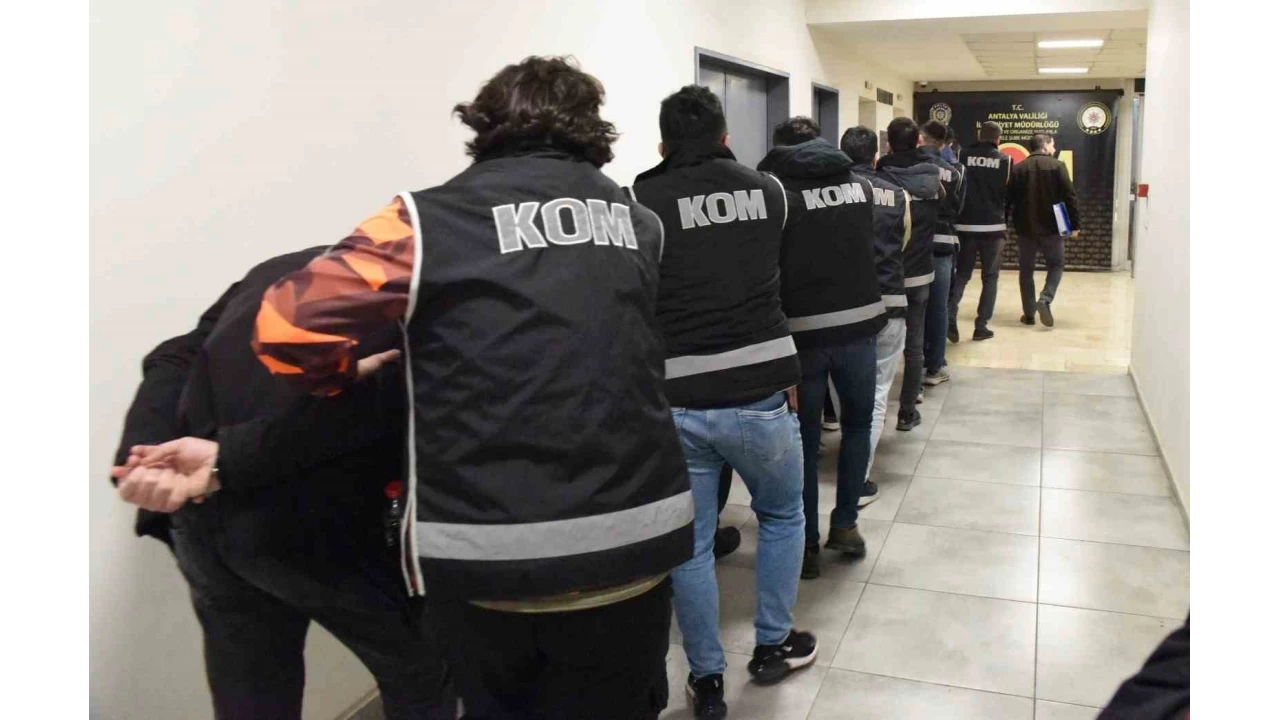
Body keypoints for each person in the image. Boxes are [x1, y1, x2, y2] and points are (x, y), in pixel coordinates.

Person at [250, 56, 694, 720]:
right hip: (630, 546)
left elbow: (283, 327)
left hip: (485, 559)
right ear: (592, 133)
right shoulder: (640, 225)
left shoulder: (420, 222)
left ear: (484, 128)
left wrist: (349, 374)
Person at [110, 248, 454, 720]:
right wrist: (221, 461)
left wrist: (144, 451)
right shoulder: (432, 292)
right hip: (308, 519)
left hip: (201, 515)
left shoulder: (279, 268)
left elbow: (174, 354)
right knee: (423, 672)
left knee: (252, 692)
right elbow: (382, 404)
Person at [633, 86, 814, 719]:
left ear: (662, 144)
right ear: (726, 138)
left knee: (691, 544)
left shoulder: (640, 202)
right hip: (761, 391)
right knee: (783, 515)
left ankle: (706, 678)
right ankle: (772, 645)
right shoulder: (771, 192)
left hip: (678, 398)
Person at [759, 117, 888, 582]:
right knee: (856, 426)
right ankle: (846, 525)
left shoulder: (777, 194)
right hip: (860, 327)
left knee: (806, 442)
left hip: (803, 335)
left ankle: (808, 545)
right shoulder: (861, 186)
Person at [843, 124, 924, 514]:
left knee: (842, 389)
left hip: (844, 305)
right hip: (889, 299)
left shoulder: (832, 193)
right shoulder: (897, 193)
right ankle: (858, 478)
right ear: (876, 155)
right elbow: (903, 242)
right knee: (876, 395)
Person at [876, 118, 944, 432]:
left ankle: (870, 410)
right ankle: (907, 412)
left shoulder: (877, 180)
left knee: (875, 345)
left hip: (885, 275)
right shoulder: (933, 178)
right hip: (920, 273)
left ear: (888, 144)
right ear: (918, 141)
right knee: (914, 345)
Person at [949, 120, 1013, 346]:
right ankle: (981, 326)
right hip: (993, 228)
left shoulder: (962, 155)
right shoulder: (1005, 161)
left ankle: (950, 316)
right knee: (990, 277)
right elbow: (1008, 195)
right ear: (998, 139)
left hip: (964, 225)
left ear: (979, 135)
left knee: (961, 274)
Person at [1008, 132, 1080, 327]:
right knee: (1056, 265)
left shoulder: (1018, 169)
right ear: (1045, 145)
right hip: (1053, 228)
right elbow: (1070, 196)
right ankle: (1045, 299)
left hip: (1025, 229)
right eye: (1052, 145)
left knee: (1026, 271)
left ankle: (1029, 314)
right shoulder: (1058, 166)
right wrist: (1075, 224)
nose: (1054, 149)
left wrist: (1006, 223)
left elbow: (1009, 199)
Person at [917, 120, 966, 389]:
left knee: (912, 308)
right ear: (945, 143)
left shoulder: (902, 166)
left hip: (911, 245)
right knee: (938, 308)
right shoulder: (955, 172)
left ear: (921, 138)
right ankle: (934, 367)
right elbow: (958, 208)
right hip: (943, 244)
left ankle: (913, 368)